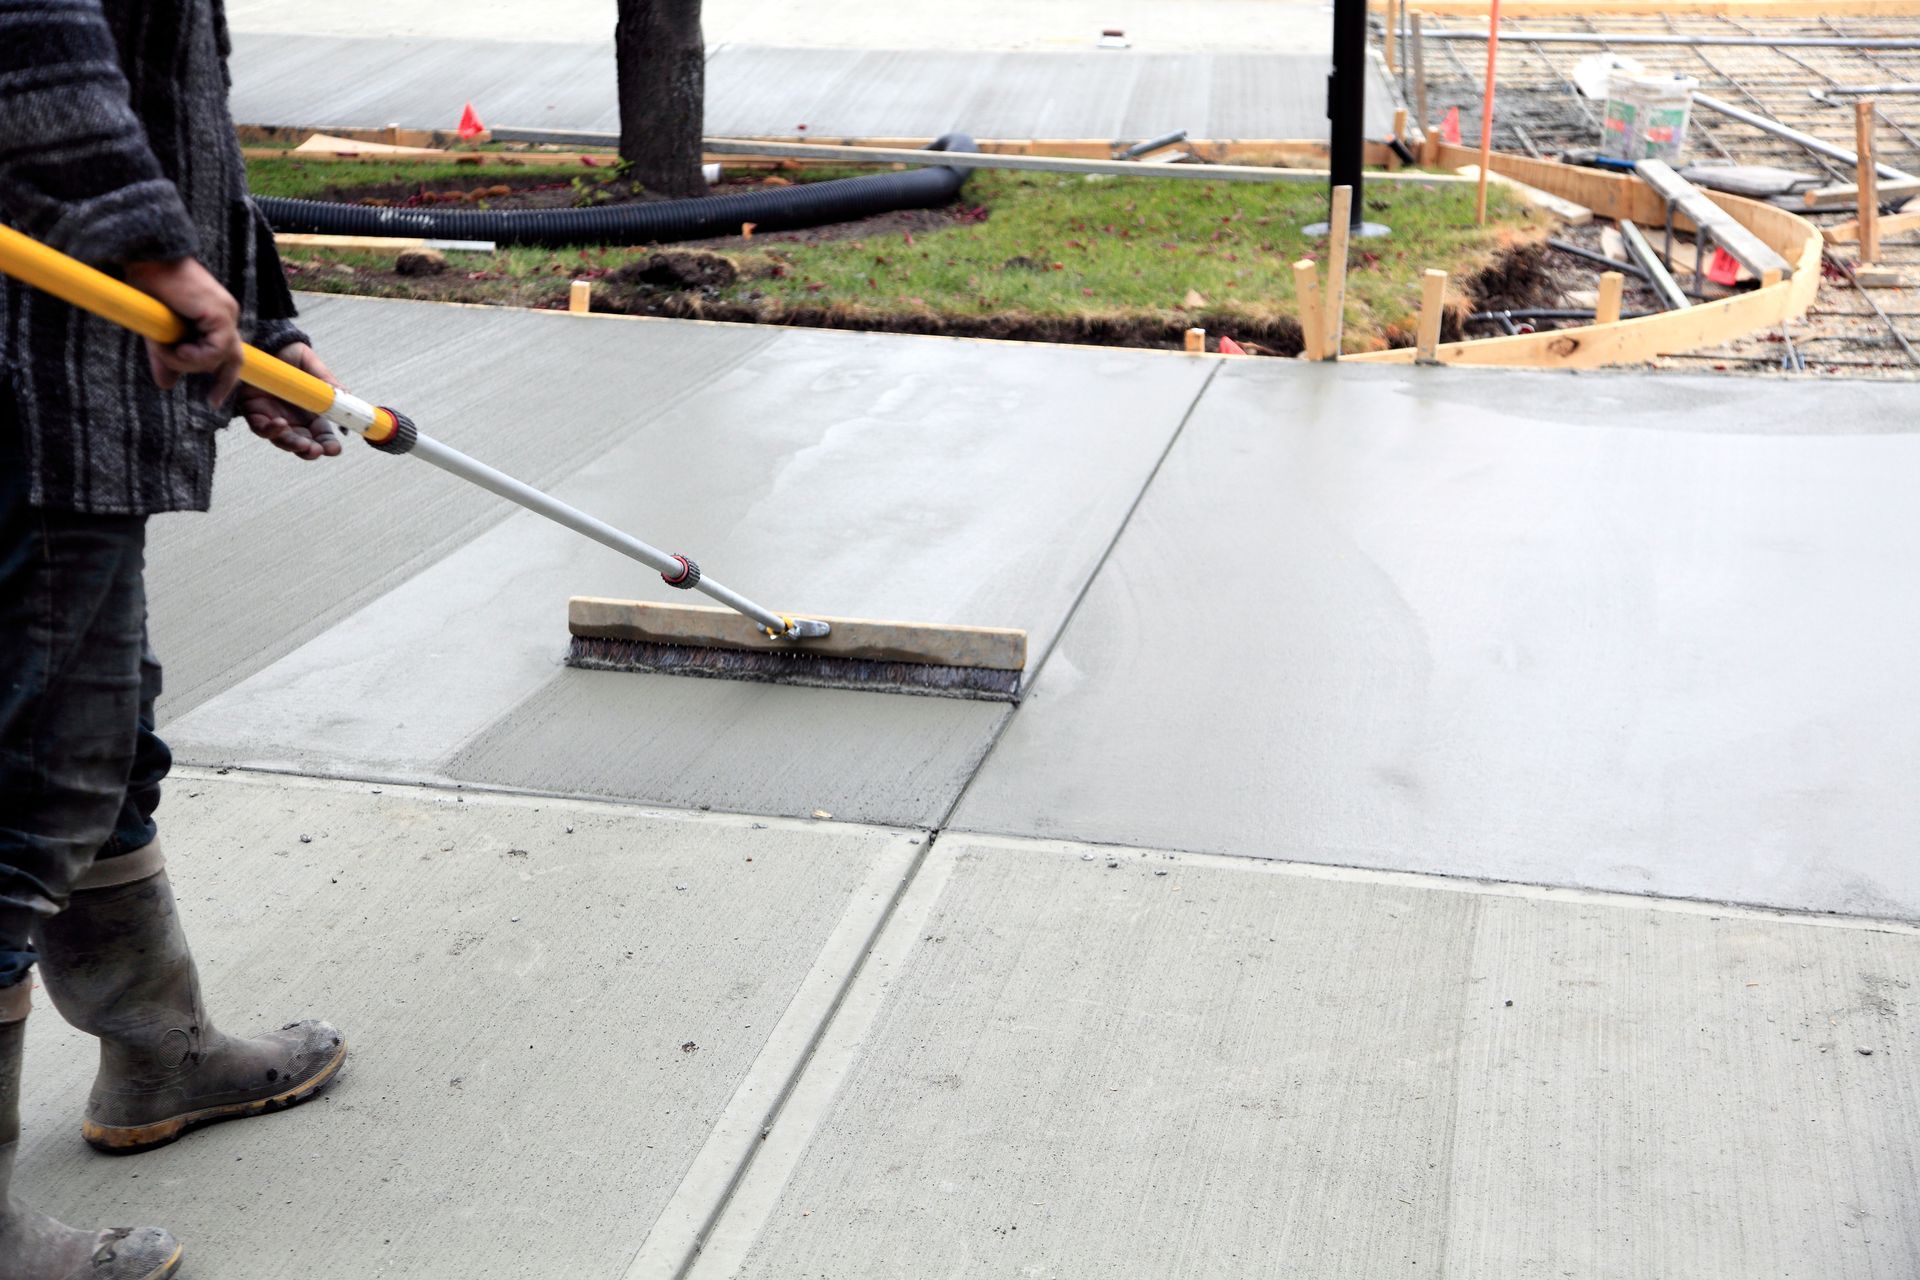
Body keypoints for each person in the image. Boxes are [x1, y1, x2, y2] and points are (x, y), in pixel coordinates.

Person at [1, 4, 350, 1276]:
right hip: (32, 381)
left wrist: (257, 313)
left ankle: (158, 1048)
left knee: (96, 742)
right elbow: (28, 35)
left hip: (91, 377)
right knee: (25, 788)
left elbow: (166, 93)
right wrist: (153, 254)